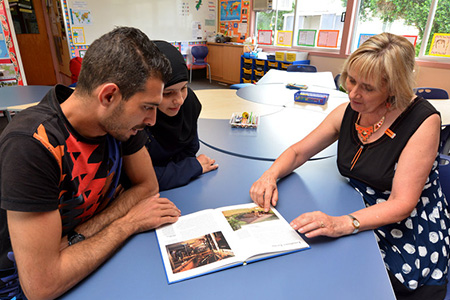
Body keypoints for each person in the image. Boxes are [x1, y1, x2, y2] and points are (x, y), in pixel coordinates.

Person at [249, 32, 450, 300]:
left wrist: (342, 223)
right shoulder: (348, 111)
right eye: (351, 80)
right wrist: (269, 175)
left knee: (357, 281)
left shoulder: (423, 122)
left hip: (406, 220)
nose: (353, 93)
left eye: (367, 88)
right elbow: (298, 152)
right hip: (357, 203)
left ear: (393, 88)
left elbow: (402, 204)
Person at [0, 27, 181, 300]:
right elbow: (41, 286)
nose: (152, 121)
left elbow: (147, 187)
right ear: (109, 96)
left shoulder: (120, 124)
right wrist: (127, 223)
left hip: (88, 260)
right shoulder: (31, 145)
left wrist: (76, 237)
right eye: (147, 107)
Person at [143, 40, 218, 190]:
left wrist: (169, 170)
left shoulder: (189, 102)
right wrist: (190, 168)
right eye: (167, 93)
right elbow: (138, 180)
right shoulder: (138, 118)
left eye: (183, 87)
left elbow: (190, 150)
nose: (179, 100)